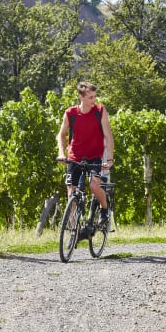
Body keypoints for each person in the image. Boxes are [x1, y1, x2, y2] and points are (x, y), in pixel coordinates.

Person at [55, 81, 114, 232]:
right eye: (90, 97)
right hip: (75, 156)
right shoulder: (70, 113)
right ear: (81, 97)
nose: (94, 100)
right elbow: (61, 135)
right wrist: (61, 153)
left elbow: (108, 135)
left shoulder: (99, 111)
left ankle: (104, 209)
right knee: (71, 192)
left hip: (95, 155)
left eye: (94, 96)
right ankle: (72, 228)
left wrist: (109, 159)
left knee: (94, 185)